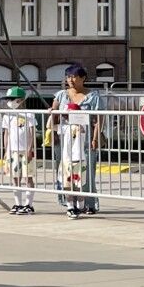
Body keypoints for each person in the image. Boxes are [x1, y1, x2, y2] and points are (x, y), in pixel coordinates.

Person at [49, 65, 101, 217]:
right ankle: (69, 202)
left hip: (85, 139)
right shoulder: (61, 95)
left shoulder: (93, 96)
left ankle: (89, 204)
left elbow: (99, 119)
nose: (70, 80)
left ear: (83, 78)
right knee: (64, 171)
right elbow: (54, 115)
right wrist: (52, 132)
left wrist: (95, 138)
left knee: (87, 172)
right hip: (64, 139)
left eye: (74, 76)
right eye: (68, 77)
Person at [0, 86, 36, 215]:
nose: (9, 102)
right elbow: (6, 134)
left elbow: (32, 133)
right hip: (12, 151)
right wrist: (5, 150)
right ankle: (18, 203)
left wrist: (30, 149)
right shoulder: (7, 115)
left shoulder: (29, 114)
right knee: (15, 178)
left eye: (12, 99)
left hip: (25, 151)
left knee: (28, 177)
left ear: (20, 100)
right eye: (8, 99)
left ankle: (29, 204)